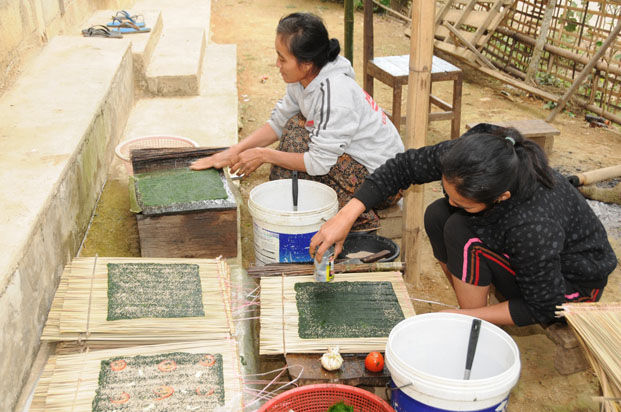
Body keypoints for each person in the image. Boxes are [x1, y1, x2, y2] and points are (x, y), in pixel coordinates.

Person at [309, 123, 617, 326]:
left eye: (464, 201)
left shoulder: (533, 225)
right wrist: (345, 216)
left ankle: (472, 323)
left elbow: (544, 307)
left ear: (501, 197)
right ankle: (472, 313)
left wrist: (462, 317)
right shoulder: (473, 155)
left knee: (460, 230)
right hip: (532, 258)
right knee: (439, 214)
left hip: (570, 290)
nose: (452, 201)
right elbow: (403, 167)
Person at [191, 12, 404, 230]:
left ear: (306, 63)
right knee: (294, 129)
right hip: (356, 161)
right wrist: (234, 150)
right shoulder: (302, 79)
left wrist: (263, 154)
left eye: (282, 59)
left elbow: (319, 163)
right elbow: (278, 123)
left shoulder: (335, 94)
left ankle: (360, 220)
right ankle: (296, 211)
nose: (277, 64)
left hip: (384, 181)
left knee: (296, 145)